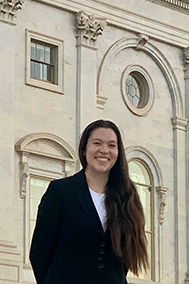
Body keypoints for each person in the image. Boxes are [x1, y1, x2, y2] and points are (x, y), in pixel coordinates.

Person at [29, 120, 148, 284]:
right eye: (97, 143)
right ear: (84, 149)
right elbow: (40, 251)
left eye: (112, 145)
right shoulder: (61, 191)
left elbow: (125, 259)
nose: (104, 150)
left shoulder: (127, 197)